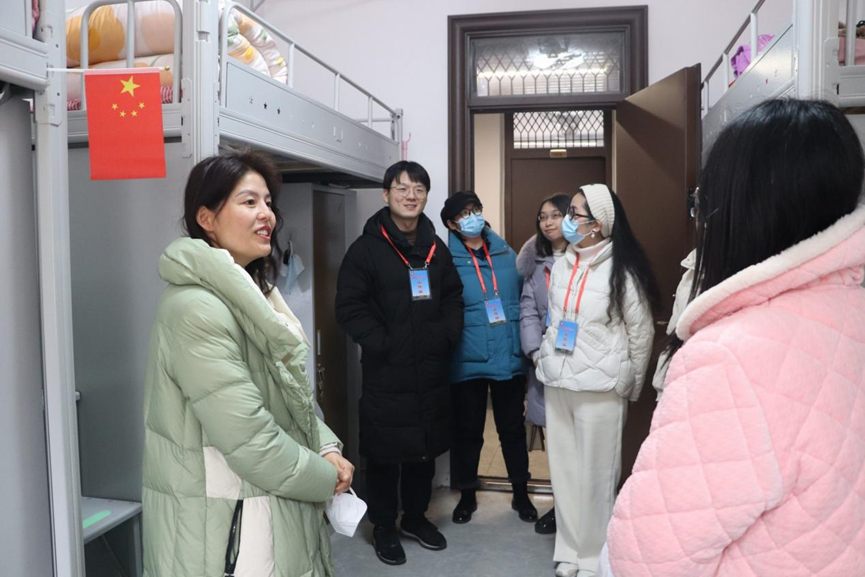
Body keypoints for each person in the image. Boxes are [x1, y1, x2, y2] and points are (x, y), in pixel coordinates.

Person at [606, 99, 865, 576]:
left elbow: (648, 556)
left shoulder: (732, 356)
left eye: (703, 200)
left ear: (739, 208)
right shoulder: (850, 307)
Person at [142, 150, 354, 577]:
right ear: (206, 218)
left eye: (268, 203)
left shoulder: (253, 295)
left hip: (263, 505)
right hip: (230, 525)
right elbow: (250, 440)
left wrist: (327, 447)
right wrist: (324, 477)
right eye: (249, 201)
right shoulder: (197, 309)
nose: (266, 215)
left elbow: (292, 397)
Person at [335, 161, 464, 566]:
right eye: (402, 188)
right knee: (385, 453)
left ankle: (415, 517)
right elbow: (349, 307)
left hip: (431, 370)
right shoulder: (366, 250)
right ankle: (384, 526)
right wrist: (384, 344)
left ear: (426, 196)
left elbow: (453, 298)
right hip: (387, 372)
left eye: (419, 189)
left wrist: (444, 337)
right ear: (386, 194)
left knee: (423, 451)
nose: (411, 195)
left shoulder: (436, 248)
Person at [535, 184, 659, 577]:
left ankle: (592, 556)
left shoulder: (623, 269)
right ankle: (569, 551)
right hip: (559, 381)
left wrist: (630, 385)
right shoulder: (561, 264)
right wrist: (543, 356)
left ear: (598, 224)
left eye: (575, 214)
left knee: (597, 475)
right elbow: (554, 321)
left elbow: (641, 333)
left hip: (601, 386)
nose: (566, 220)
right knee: (565, 472)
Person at [442, 191, 536, 526]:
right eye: (465, 213)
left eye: (476, 209)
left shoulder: (506, 252)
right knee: (468, 432)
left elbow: (525, 296)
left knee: (512, 430)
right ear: (451, 224)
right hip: (467, 358)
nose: (473, 217)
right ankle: (467, 495)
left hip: (508, 355)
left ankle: (521, 493)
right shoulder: (445, 259)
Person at [516, 192, 573, 535]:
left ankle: (580, 509)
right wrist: (535, 352)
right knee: (558, 441)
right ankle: (560, 506)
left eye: (556, 215)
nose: (548, 222)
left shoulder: (586, 258)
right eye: (543, 216)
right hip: (545, 363)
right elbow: (527, 310)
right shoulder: (535, 264)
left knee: (581, 439)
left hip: (580, 361)